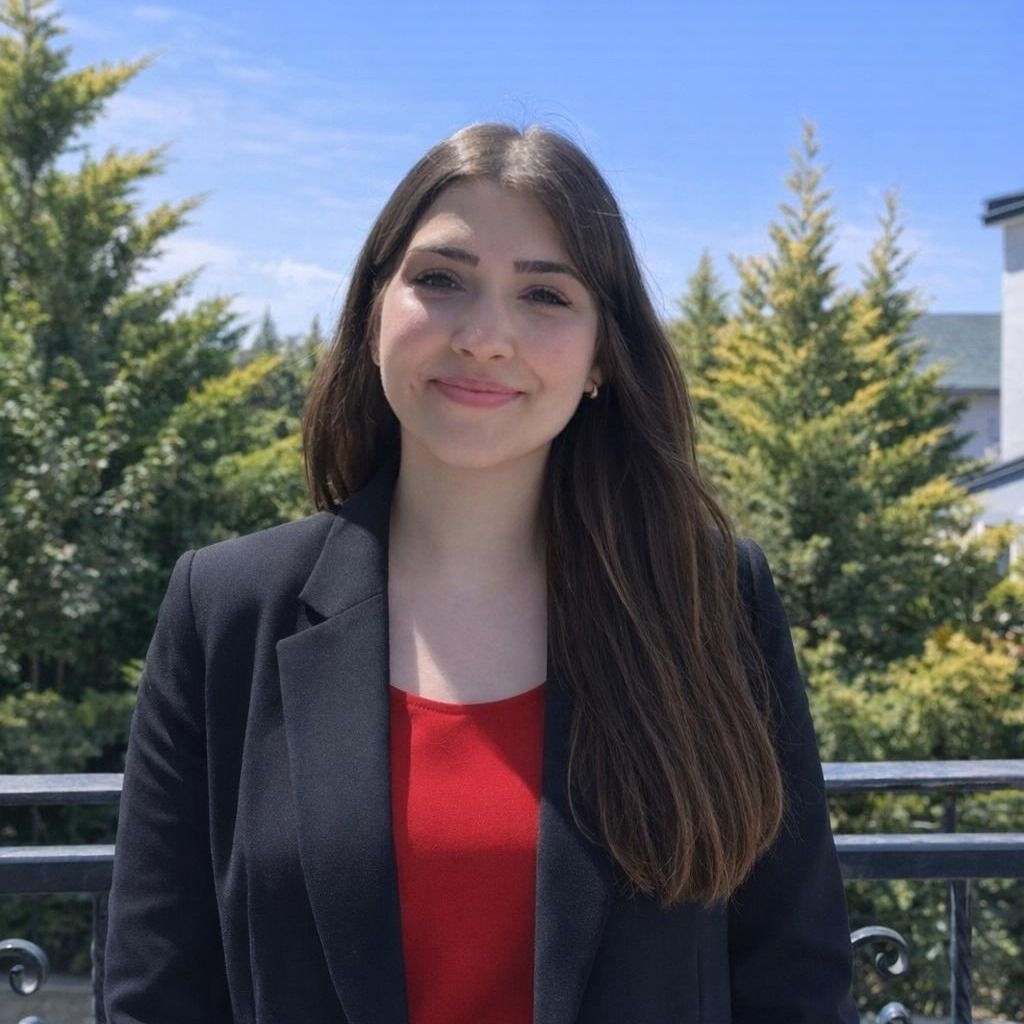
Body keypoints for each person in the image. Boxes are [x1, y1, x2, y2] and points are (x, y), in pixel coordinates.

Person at [103, 122, 859, 1024]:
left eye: (545, 294)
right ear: (372, 314)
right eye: (440, 280)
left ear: (601, 358)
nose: (486, 336)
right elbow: (155, 995)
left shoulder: (710, 602)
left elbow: (796, 981)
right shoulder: (226, 610)